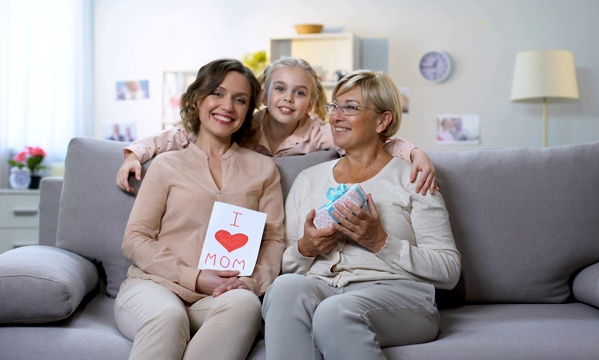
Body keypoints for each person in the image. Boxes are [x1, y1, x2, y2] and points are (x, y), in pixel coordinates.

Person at [261, 70, 461, 359]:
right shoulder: (308, 179)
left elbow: (449, 270)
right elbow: (287, 264)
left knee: (333, 311)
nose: (337, 116)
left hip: (399, 296)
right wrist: (306, 249)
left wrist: (380, 242)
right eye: (335, 107)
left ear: (383, 120)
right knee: (284, 288)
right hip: (324, 287)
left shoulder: (414, 178)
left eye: (351, 108)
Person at [113, 59, 285, 360]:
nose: (228, 106)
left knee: (246, 304)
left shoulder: (264, 169)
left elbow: (273, 240)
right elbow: (135, 238)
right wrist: (192, 276)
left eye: (240, 99)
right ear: (197, 99)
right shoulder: (167, 164)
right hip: (156, 286)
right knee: (168, 317)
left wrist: (251, 281)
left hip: (221, 296)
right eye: (217, 93)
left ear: (248, 112)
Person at [115, 57, 439, 196]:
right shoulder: (243, 125)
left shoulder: (319, 132)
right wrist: (134, 153)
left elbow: (369, 142)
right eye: (280, 89)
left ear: (311, 103)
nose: (288, 99)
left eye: (300, 93)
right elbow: (179, 135)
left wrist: (415, 153)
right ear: (264, 94)